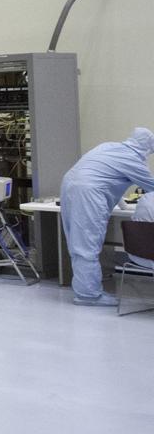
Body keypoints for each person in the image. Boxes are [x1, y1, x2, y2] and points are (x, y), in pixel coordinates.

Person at [60, 127, 154, 307]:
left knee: (77, 242)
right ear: (147, 147)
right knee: (86, 244)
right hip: (88, 193)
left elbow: (106, 178)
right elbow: (151, 186)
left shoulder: (108, 147)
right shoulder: (133, 160)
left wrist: (125, 206)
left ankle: (84, 289)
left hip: (70, 187)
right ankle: (88, 295)